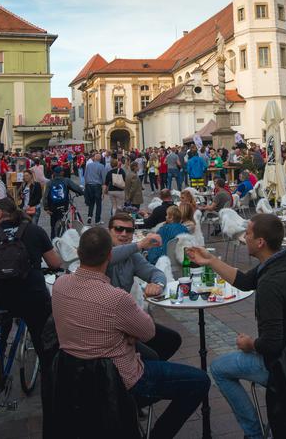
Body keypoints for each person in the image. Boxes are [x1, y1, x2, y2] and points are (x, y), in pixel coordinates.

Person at [51, 227, 209, 439]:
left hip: (73, 376)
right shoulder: (115, 297)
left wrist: (125, 332)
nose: (124, 234)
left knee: (159, 350)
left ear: (79, 254)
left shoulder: (60, 285)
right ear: (109, 255)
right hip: (118, 380)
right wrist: (127, 334)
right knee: (200, 381)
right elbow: (149, 331)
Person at [186, 214, 286, 439]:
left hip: (283, 365)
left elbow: (271, 344)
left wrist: (249, 343)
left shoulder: (270, 283)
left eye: (249, 234)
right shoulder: (283, 259)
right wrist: (210, 261)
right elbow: (244, 281)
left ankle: (254, 433)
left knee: (218, 368)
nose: (245, 238)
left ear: (260, 242)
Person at [0, 197, 62, 361]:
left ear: (0, 213)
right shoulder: (35, 231)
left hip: (0, 298)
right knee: (43, 346)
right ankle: (47, 377)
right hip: (33, 297)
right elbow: (55, 263)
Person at [105, 213, 181, 361]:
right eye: (119, 229)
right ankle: (137, 376)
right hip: (105, 323)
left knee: (172, 339)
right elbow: (107, 257)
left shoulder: (132, 256)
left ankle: (143, 376)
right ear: (109, 231)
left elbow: (155, 272)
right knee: (151, 356)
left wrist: (157, 284)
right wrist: (139, 245)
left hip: (125, 319)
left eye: (129, 230)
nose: (124, 234)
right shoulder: (101, 251)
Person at [42, 166, 84, 237]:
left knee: (53, 226)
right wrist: (81, 192)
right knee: (63, 221)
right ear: (61, 173)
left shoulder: (50, 183)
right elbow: (76, 188)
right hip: (63, 206)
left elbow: (45, 196)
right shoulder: (66, 180)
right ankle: (63, 237)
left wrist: (46, 208)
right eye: (62, 171)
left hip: (52, 207)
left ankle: (53, 240)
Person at [83, 152, 108, 224]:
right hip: (97, 186)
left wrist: (86, 185)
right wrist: (104, 188)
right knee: (98, 203)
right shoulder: (101, 166)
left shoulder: (89, 165)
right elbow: (104, 178)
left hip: (89, 186)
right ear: (100, 159)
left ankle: (89, 216)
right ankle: (97, 220)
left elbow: (85, 176)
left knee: (91, 202)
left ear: (94, 158)